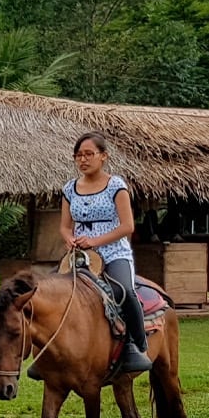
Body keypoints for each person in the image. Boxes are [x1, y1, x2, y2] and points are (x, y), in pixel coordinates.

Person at [62, 133, 154, 374]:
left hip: (114, 252)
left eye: (89, 154)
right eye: (78, 155)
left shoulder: (116, 186)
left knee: (123, 290)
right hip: (81, 255)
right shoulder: (69, 189)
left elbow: (127, 226)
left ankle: (136, 344)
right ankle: (54, 352)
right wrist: (69, 239)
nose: (83, 159)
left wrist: (94, 240)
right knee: (53, 290)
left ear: (103, 156)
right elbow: (64, 226)